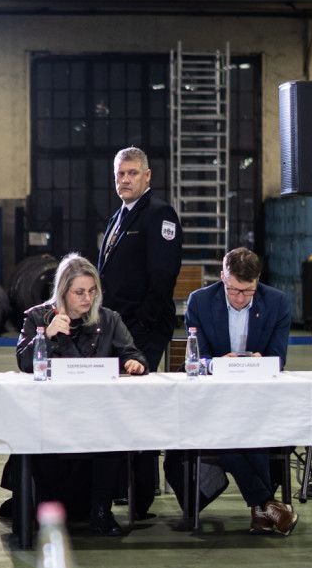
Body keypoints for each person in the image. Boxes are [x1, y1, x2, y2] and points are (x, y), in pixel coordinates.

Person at [8, 254, 146, 538]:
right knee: (37, 434)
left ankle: (101, 511)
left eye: (92, 291)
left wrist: (134, 363)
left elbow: (133, 353)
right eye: (79, 292)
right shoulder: (37, 317)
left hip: (97, 413)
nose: (87, 299)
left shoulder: (109, 319)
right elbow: (24, 363)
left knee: (114, 431)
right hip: (52, 412)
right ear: (63, 291)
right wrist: (45, 336)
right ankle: (48, 507)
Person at [178, 248, 297, 536]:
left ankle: (262, 509)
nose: (240, 298)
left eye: (248, 291)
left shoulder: (277, 302)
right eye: (233, 290)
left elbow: (278, 358)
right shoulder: (199, 301)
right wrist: (217, 364)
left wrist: (259, 362)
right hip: (213, 401)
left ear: (258, 281)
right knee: (229, 433)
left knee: (248, 429)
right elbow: (196, 359)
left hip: (258, 399)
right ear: (222, 277)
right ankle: (266, 505)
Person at [94, 147, 183, 515]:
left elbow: (163, 275)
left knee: (138, 406)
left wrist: (141, 324)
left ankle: (142, 494)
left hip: (143, 328)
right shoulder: (118, 217)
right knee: (118, 406)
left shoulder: (159, 214)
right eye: (120, 174)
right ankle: (120, 485)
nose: (125, 180)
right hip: (116, 328)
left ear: (148, 176)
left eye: (132, 173)